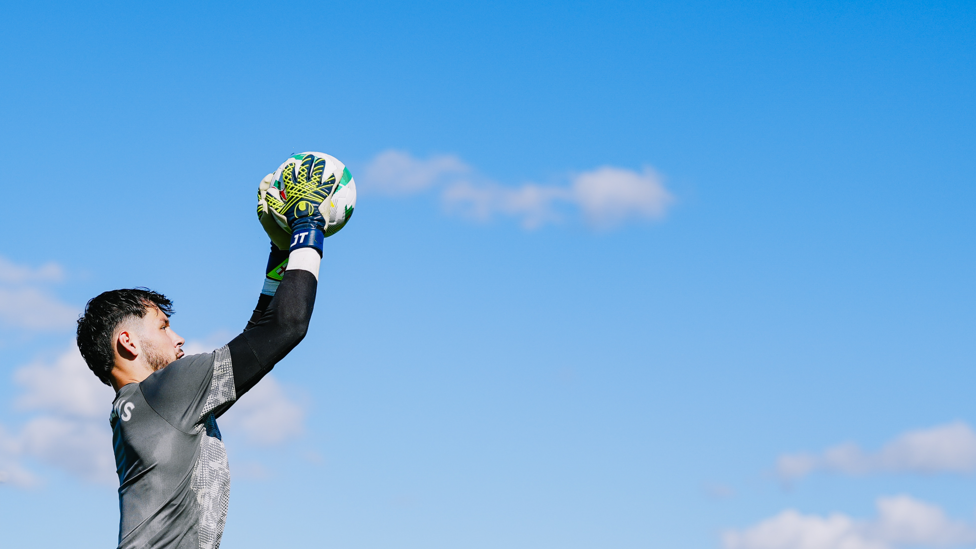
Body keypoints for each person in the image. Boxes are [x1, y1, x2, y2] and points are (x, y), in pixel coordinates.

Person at [76, 154, 342, 549]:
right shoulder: (166, 391)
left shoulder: (142, 407)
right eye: (164, 327)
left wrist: (279, 254)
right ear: (128, 342)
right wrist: (307, 225)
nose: (178, 338)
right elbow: (285, 327)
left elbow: (258, 334)